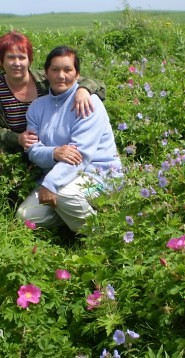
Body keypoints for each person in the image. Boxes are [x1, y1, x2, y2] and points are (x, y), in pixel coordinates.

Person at [16, 46, 122, 232]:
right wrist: (54, 153)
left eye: (67, 70)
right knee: (26, 216)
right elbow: (33, 151)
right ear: (46, 72)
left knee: (65, 195)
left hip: (100, 182)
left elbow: (79, 156)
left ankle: (100, 235)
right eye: (55, 70)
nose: (61, 76)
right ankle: (73, 217)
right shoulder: (37, 107)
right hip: (60, 180)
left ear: (77, 74)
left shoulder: (89, 103)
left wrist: (50, 185)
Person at [0, 31, 106, 158]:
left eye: (22, 57)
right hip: (15, 152)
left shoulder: (44, 79)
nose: (17, 63)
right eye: (11, 57)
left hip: (50, 144)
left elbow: (97, 84)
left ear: (29, 60)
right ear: (1, 61)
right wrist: (17, 138)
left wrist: (84, 90)